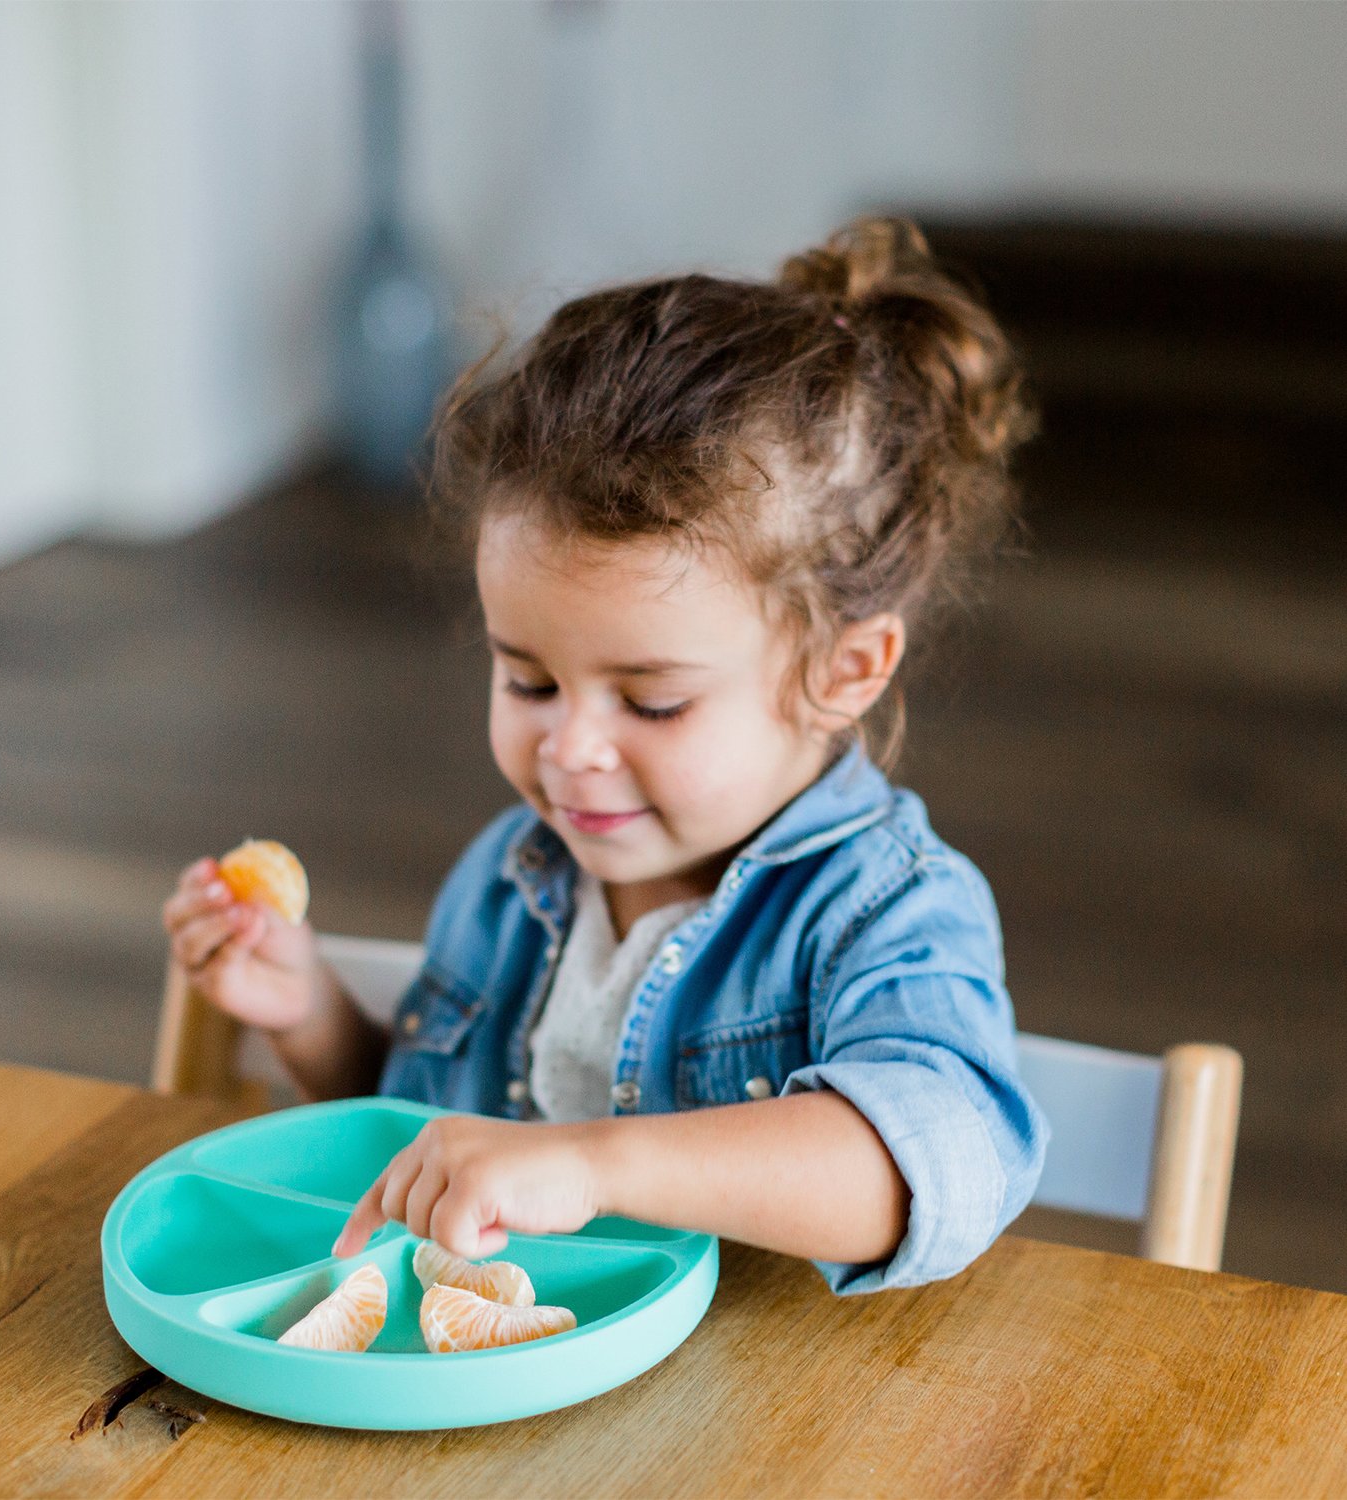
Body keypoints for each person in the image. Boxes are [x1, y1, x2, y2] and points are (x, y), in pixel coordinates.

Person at [162, 217, 1049, 1296]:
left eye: (653, 702)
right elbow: (434, 1137)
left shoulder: (884, 910)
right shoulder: (508, 879)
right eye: (529, 682)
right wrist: (310, 1017)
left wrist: (593, 1165)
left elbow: (936, 1163)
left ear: (845, 671)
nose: (571, 750)